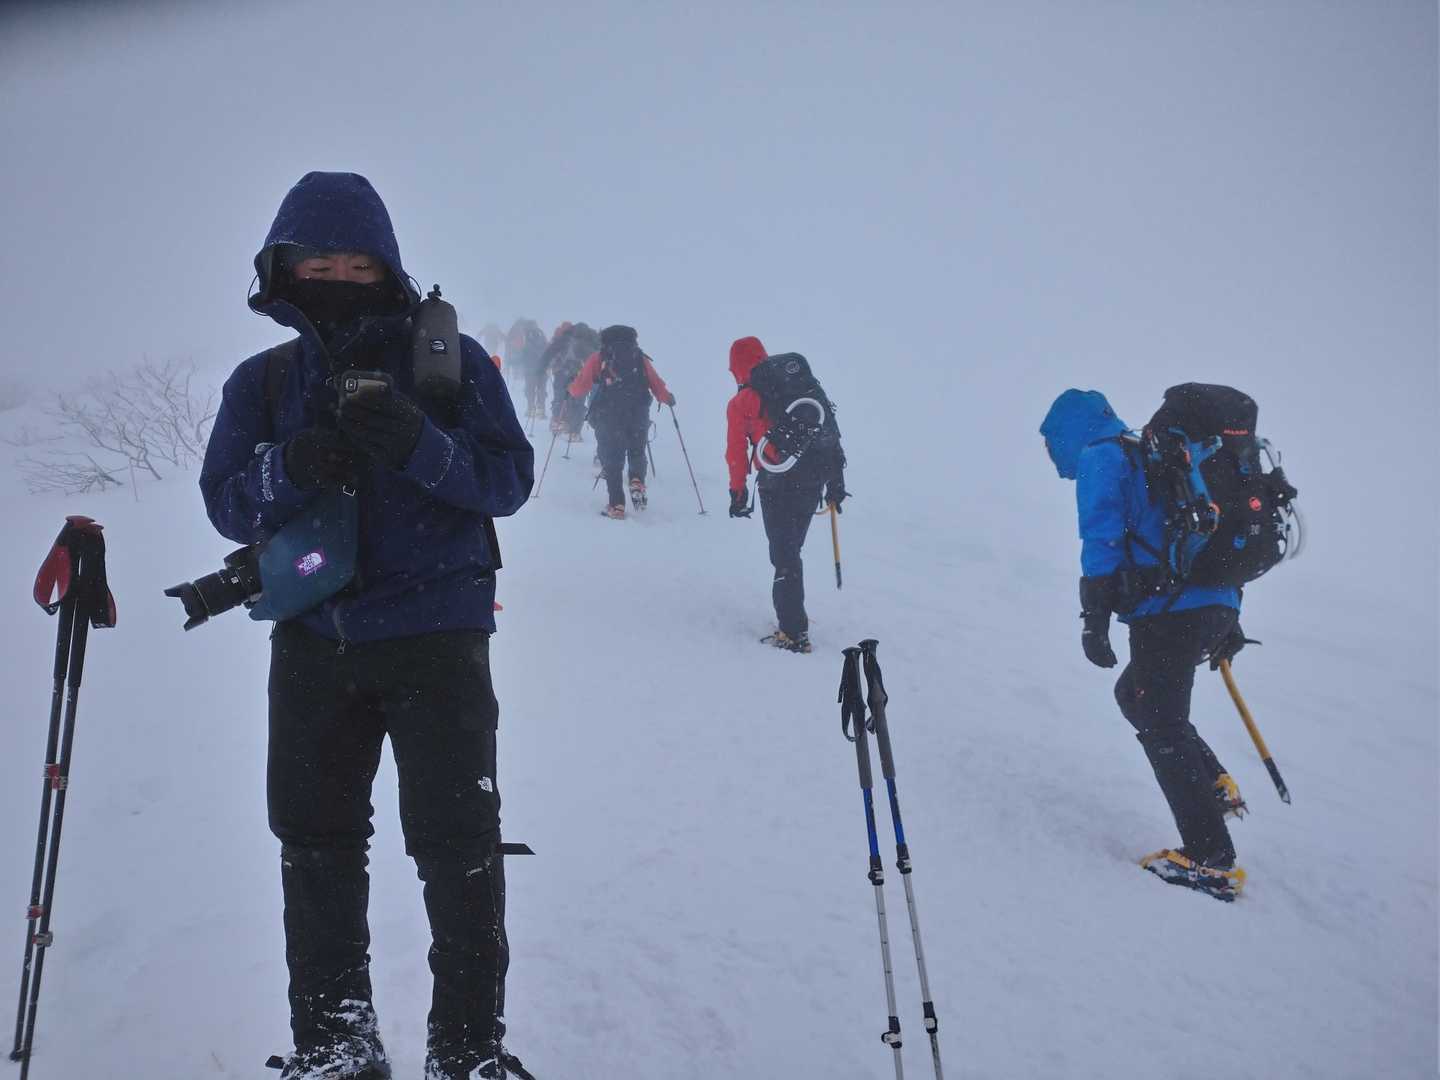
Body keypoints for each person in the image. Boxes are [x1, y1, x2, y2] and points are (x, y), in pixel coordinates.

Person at [199, 171, 537, 1078]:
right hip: (315, 638)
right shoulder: (264, 382)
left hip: (438, 639)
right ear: (283, 270)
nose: (338, 278)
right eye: (318, 264)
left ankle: (467, 1050)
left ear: (387, 266)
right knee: (315, 846)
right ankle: (337, 1045)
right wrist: (290, 466)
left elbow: (508, 481)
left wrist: (420, 446)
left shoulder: (451, 364)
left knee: (459, 850)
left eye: (357, 263)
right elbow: (226, 504)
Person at [1039, 388, 1250, 901]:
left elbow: (1102, 537)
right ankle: (1212, 784)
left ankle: (1210, 861)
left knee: (1160, 720)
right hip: (1215, 601)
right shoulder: (1154, 453)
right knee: (1135, 695)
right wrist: (1229, 618)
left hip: (1168, 609)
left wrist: (1094, 617)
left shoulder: (1103, 455)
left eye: (1051, 443)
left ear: (1068, 431)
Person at [725, 337, 846, 654]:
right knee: (792, 549)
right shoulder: (802, 387)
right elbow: (828, 431)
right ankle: (794, 615)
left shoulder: (742, 402)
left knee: (784, 555)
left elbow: (736, 451)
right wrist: (835, 481)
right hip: (812, 478)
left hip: (776, 481)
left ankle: (793, 632)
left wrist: (738, 492)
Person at [567, 324, 673, 518]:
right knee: (637, 450)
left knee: (613, 457)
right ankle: (636, 481)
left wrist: (570, 391)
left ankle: (616, 505)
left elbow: (581, 386)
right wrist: (667, 398)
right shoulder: (639, 357)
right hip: (638, 412)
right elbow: (655, 382)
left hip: (610, 413)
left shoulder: (599, 357)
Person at [547, 322, 599, 441]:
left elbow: (556, 355)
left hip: (564, 372)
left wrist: (553, 367)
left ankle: (559, 422)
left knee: (561, 397)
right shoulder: (591, 342)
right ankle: (575, 431)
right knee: (579, 402)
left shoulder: (568, 339)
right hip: (584, 375)